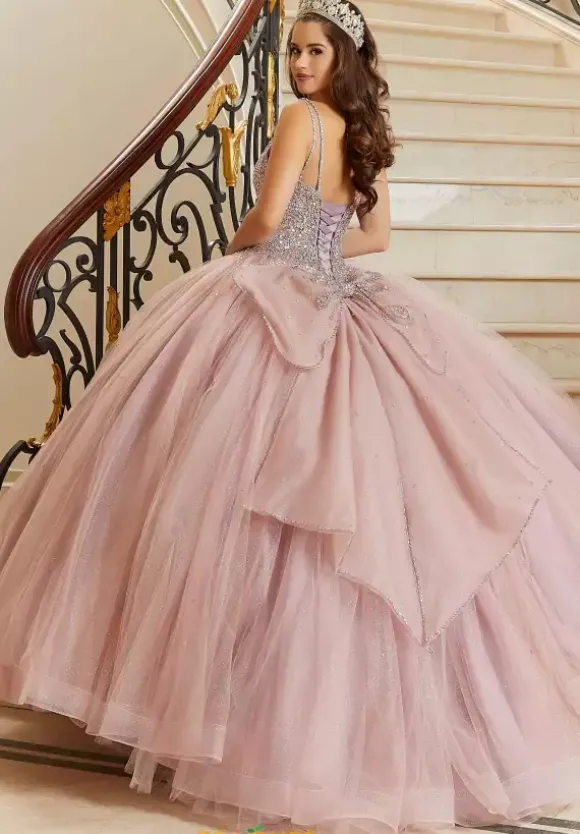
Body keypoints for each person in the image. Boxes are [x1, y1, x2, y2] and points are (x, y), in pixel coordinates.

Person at [2, 0, 580, 831]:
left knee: (215, 483)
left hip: (274, 288)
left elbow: (270, 219)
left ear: (342, 57)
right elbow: (375, 237)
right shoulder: (362, 128)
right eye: (295, 51)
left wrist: (241, 255)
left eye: (315, 51)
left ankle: (187, 698)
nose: (300, 64)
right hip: (337, 288)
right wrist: (319, 252)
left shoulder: (299, 120)